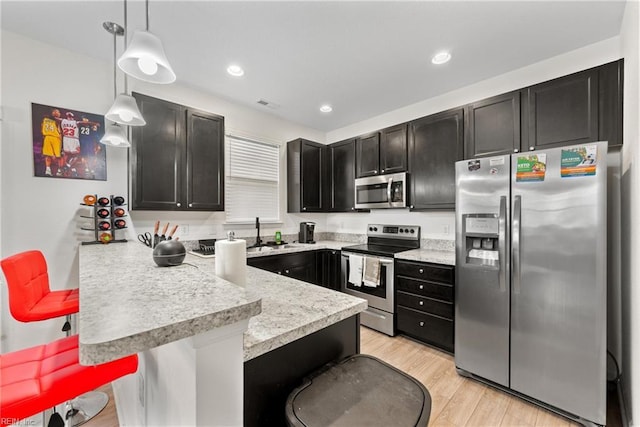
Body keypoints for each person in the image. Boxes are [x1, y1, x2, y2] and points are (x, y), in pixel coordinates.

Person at [59, 111, 99, 177]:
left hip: (89, 142)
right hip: (81, 142)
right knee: (79, 156)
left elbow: (95, 135)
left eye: (86, 119)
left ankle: (89, 169)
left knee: (90, 156)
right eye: (84, 119)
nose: (85, 120)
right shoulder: (79, 125)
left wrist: (96, 143)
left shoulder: (90, 126)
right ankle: (80, 168)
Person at [40, 108, 62, 176]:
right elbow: (60, 131)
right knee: (49, 155)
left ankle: (56, 170)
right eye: (55, 111)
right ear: (52, 113)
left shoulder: (45, 119)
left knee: (55, 156)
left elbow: (41, 128)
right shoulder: (56, 120)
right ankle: (49, 170)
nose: (57, 113)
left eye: (57, 112)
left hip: (51, 137)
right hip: (52, 137)